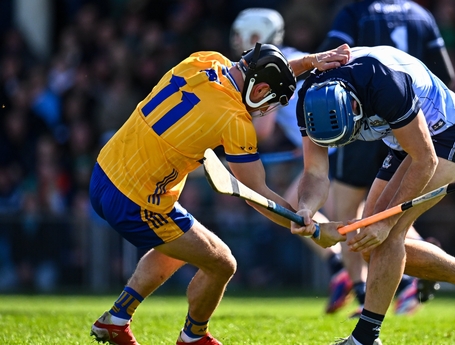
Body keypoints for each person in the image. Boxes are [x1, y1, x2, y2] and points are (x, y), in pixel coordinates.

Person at [88, 42, 350, 345]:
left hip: (104, 170)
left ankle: (117, 319)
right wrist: (310, 226)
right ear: (260, 88)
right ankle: (193, 337)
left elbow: (263, 73)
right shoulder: (235, 119)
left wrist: (311, 62)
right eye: (268, 101)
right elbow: (257, 194)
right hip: (135, 200)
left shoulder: (204, 60)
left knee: (179, 244)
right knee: (222, 263)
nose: (264, 110)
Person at [292, 45, 455, 345]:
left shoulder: (383, 84)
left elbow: (425, 159)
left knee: (385, 235)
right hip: (404, 142)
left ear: (356, 107)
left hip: (449, 135)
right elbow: (316, 173)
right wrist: (306, 208)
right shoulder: (310, 101)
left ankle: (365, 338)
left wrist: (385, 223)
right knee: (366, 245)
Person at [316, 0, 455, 316]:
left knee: (349, 210)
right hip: (410, 119)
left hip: (361, 119)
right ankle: (408, 281)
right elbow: (445, 73)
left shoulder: (355, 12)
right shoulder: (422, 15)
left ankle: (365, 292)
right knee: (389, 211)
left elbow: (329, 57)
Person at [230, 7, 354, 314]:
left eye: (239, 34)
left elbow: (263, 129)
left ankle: (348, 271)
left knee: (294, 209)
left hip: (335, 147)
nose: (234, 40)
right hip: (345, 141)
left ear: (255, 36)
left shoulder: (263, 67)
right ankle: (363, 281)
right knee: (356, 215)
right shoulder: (295, 55)